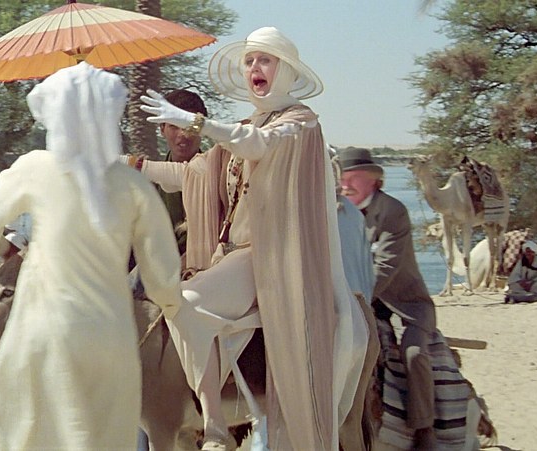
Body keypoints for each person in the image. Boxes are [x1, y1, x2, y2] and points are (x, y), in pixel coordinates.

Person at [135, 27, 368, 450]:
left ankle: (218, 423)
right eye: (249, 61)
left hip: (271, 255)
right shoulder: (245, 125)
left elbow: (258, 145)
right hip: (234, 254)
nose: (255, 68)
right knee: (172, 302)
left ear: (285, 69)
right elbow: (192, 174)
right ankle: (214, 425)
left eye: (265, 60)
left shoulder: (300, 122)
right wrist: (125, 163)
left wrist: (196, 123)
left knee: (184, 301)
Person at [0, 63, 183, 451]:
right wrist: (170, 303)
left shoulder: (33, 167)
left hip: (42, 328)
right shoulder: (131, 183)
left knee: (32, 436)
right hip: (110, 337)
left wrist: (2, 252)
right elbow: (163, 275)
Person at [340, 147, 438, 449]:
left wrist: (353, 299)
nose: (346, 185)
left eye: (355, 178)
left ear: (374, 181)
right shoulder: (337, 212)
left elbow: (385, 267)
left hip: (404, 303)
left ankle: (424, 429)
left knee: (414, 354)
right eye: (343, 178)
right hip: (360, 301)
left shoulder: (393, 211)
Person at [332, 157, 380, 451]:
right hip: (362, 313)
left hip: (337, 316)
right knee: (350, 419)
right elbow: (368, 272)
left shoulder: (309, 211)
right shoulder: (353, 212)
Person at [157, 89, 209, 255]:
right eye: (174, 125)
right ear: (162, 128)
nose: (183, 134)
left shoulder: (221, 178)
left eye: (190, 125)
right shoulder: (148, 184)